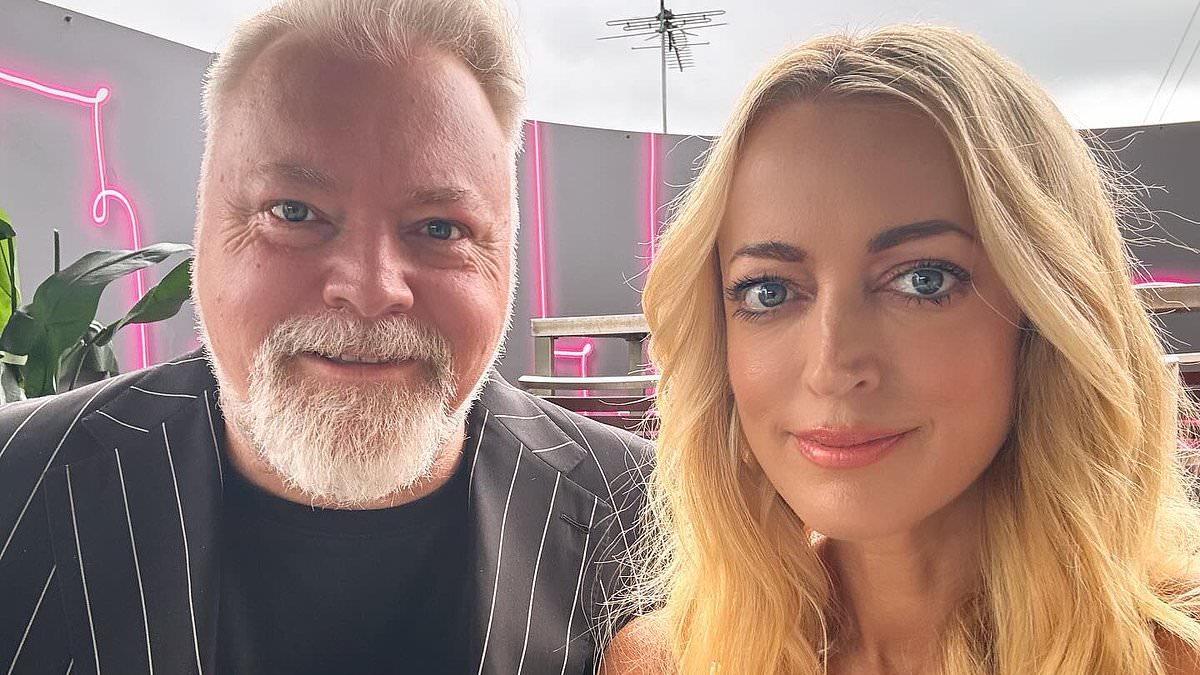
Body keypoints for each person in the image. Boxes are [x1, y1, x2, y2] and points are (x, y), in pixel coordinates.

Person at [0, 1, 649, 673]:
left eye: (440, 227)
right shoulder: (12, 485)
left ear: (507, 251)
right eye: (293, 212)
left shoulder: (659, 520)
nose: (369, 289)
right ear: (203, 231)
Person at [603, 25, 1200, 674]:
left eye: (923, 280)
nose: (832, 368)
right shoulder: (666, 661)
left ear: (1046, 315)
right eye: (769, 291)